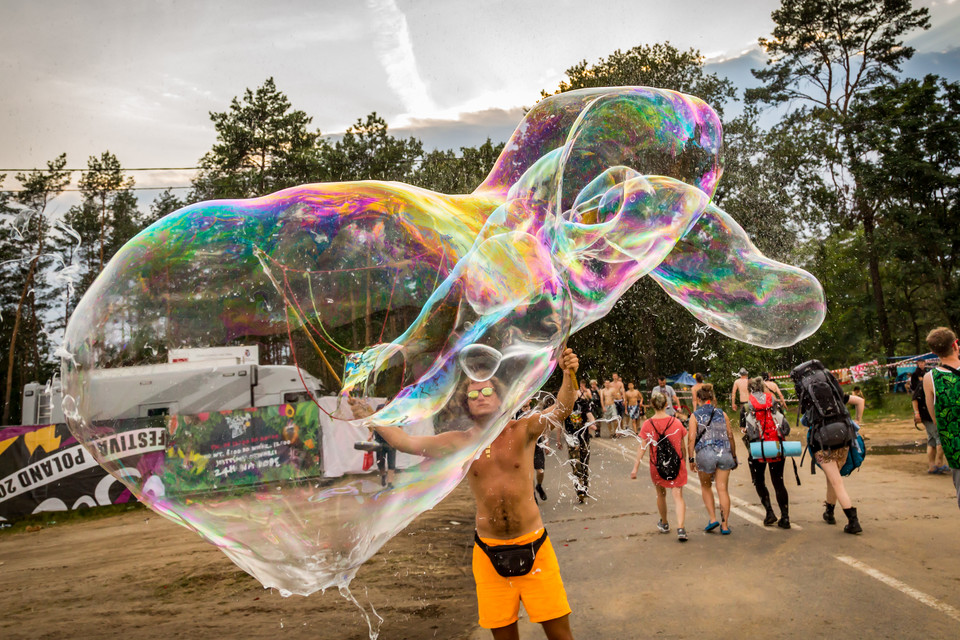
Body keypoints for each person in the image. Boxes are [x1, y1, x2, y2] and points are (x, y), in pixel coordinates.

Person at [373, 349, 581, 639]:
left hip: (535, 547)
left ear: (500, 397)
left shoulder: (523, 430)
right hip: (488, 554)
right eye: (473, 394)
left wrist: (569, 374)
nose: (480, 396)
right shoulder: (461, 443)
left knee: (561, 636)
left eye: (487, 390)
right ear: (465, 403)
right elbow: (405, 442)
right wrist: (371, 418)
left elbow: (561, 409)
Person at [630, 392, 689, 542]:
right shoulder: (676, 422)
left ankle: (664, 523)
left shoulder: (648, 424)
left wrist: (635, 468)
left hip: (657, 465)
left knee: (661, 494)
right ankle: (681, 528)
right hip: (676, 464)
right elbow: (682, 446)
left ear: (651, 405)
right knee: (678, 496)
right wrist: (685, 462)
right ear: (666, 404)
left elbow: (642, 447)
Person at [687, 384, 737, 535]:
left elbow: (691, 438)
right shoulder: (723, 414)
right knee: (722, 489)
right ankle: (725, 525)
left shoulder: (695, 416)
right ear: (712, 398)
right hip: (724, 453)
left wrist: (691, 458)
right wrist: (733, 455)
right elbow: (730, 435)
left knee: (706, 486)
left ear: (698, 399)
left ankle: (713, 518)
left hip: (705, 454)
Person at [743, 377, 791, 529]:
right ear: (763, 387)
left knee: (759, 481)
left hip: (758, 449)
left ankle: (769, 512)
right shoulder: (774, 404)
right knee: (778, 482)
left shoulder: (746, 407)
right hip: (776, 447)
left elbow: (745, 431)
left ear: (749, 389)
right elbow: (786, 429)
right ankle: (785, 517)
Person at [923, 327, 960, 510]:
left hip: (955, 448)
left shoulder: (930, 379)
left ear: (933, 352)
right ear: (956, 344)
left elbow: (935, 418)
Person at [563, 380, 598, 503]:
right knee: (575, 465)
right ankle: (580, 491)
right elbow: (560, 423)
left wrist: (593, 423)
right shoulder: (565, 405)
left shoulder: (583, 403)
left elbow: (589, 414)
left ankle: (585, 486)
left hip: (584, 438)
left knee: (584, 464)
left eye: (575, 391)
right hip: (572, 439)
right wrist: (558, 439)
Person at [913, 370, 947, 474]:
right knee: (940, 438)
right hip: (928, 416)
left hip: (933, 415)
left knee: (932, 440)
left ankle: (932, 466)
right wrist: (916, 413)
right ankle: (938, 464)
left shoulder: (939, 382)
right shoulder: (923, 383)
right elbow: (914, 399)